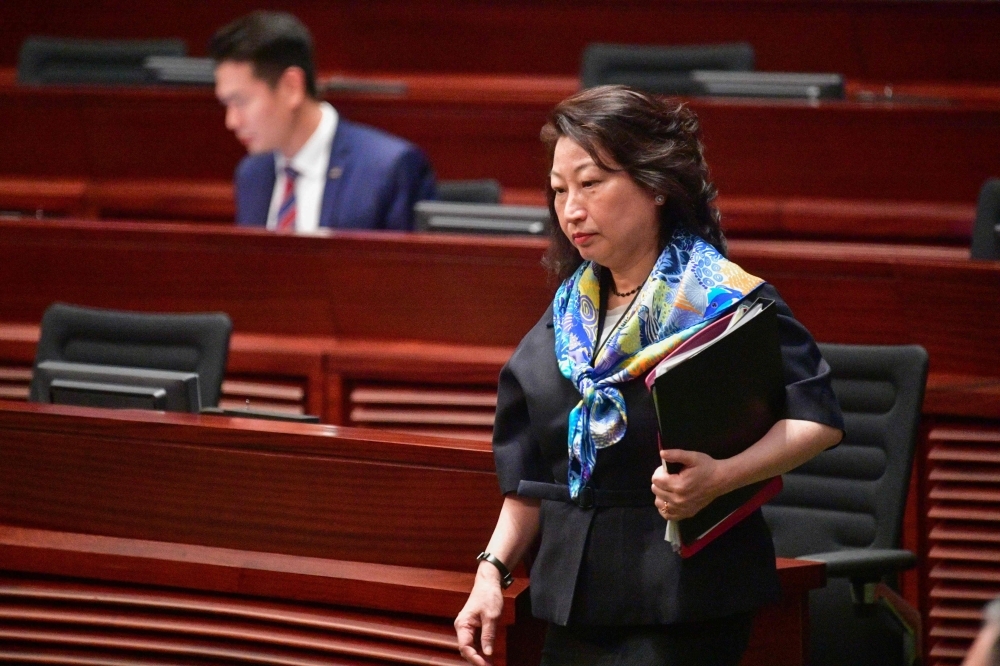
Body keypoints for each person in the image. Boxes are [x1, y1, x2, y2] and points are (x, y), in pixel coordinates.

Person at [453, 85, 845, 666]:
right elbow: (536, 475)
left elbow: (817, 419)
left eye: (591, 183)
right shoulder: (570, 313)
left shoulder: (721, 300)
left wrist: (722, 477)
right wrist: (492, 571)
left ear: (656, 183)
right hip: (577, 591)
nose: (571, 210)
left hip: (683, 593)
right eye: (559, 191)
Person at [210, 11, 435, 232]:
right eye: (226, 105)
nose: (232, 121)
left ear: (291, 87)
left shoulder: (388, 169)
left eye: (241, 101)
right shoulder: (252, 174)